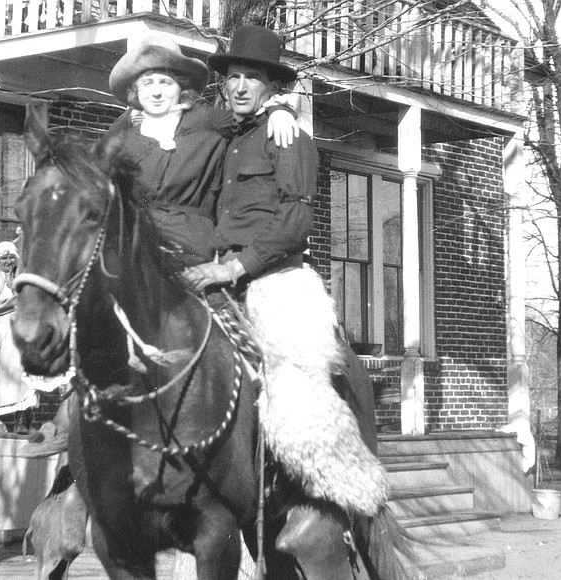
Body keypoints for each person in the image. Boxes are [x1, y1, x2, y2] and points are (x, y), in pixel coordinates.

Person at [24, 30, 300, 453]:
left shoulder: (208, 121)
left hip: (189, 243)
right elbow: (93, 185)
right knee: (95, 305)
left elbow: (251, 120)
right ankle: (75, 417)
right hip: (135, 243)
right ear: (134, 91)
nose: (157, 91)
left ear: (182, 87)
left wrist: (282, 107)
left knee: (221, 322)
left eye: (166, 81)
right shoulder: (122, 133)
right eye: (147, 82)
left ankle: (253, 421)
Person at [182, 25, 389, 575]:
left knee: (295, 384)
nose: (242, 86)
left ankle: (318, 491)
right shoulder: (222, 136)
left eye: (253, 76)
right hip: (213, 277)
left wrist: (235, 265)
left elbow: (295, 221)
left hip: (271, 275)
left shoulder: (289, 137)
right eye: (234, 77)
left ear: (271, 83)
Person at [0, 241, 38, 434]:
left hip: (22, 328)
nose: (8, 261)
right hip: (2, 329)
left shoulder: (21, 280)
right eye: (4, 258)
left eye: (11, 257)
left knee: (27, 368)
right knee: (12, 366)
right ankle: (19, 417)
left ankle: (25, 414)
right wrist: (14, 302)